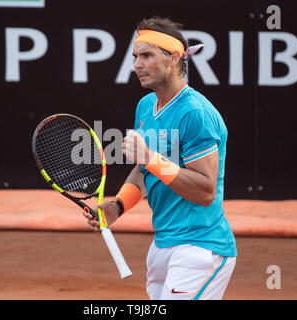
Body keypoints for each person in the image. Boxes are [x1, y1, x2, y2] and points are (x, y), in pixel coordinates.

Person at [83, 17, 237, 300]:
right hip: (162, 245)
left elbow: (205, 190)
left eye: (146, 56)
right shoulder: (146, 106)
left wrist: (152, 159)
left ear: (174, 58)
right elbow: (144, 172)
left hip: (200, 247)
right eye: (135, 57)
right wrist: (118, 206)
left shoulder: (195, 113)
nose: (137, 65)